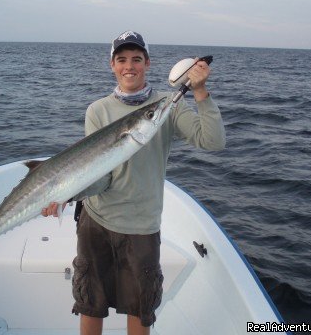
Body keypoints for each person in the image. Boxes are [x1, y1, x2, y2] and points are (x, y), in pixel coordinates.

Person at [41, 30, 226, 335]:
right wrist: (64, 195)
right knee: (90, 304)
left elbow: (213, 140)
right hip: (96, 222)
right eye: (122, 59)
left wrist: (201, 92)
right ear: (112, 65)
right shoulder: (98, 110)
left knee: (141, 310)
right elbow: (99, 178)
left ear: (148, 63)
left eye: (137, 59)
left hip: (142, 226)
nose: (130, 66)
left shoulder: (168, 106)